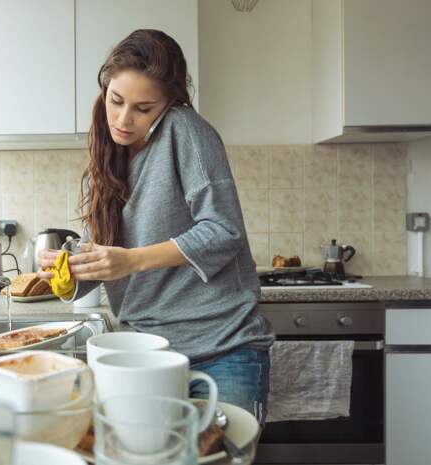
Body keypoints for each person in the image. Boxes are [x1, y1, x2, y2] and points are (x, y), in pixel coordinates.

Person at [38, 29, 275, 422]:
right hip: (145, 354)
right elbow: (112, 257)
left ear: (169, 104)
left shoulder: (185, 130)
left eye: (143, 108)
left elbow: (223, 230)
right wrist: (70, 270)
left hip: (223, 350)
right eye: (116, 101)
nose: (123, 119)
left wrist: (131, 261)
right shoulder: (103, 164)